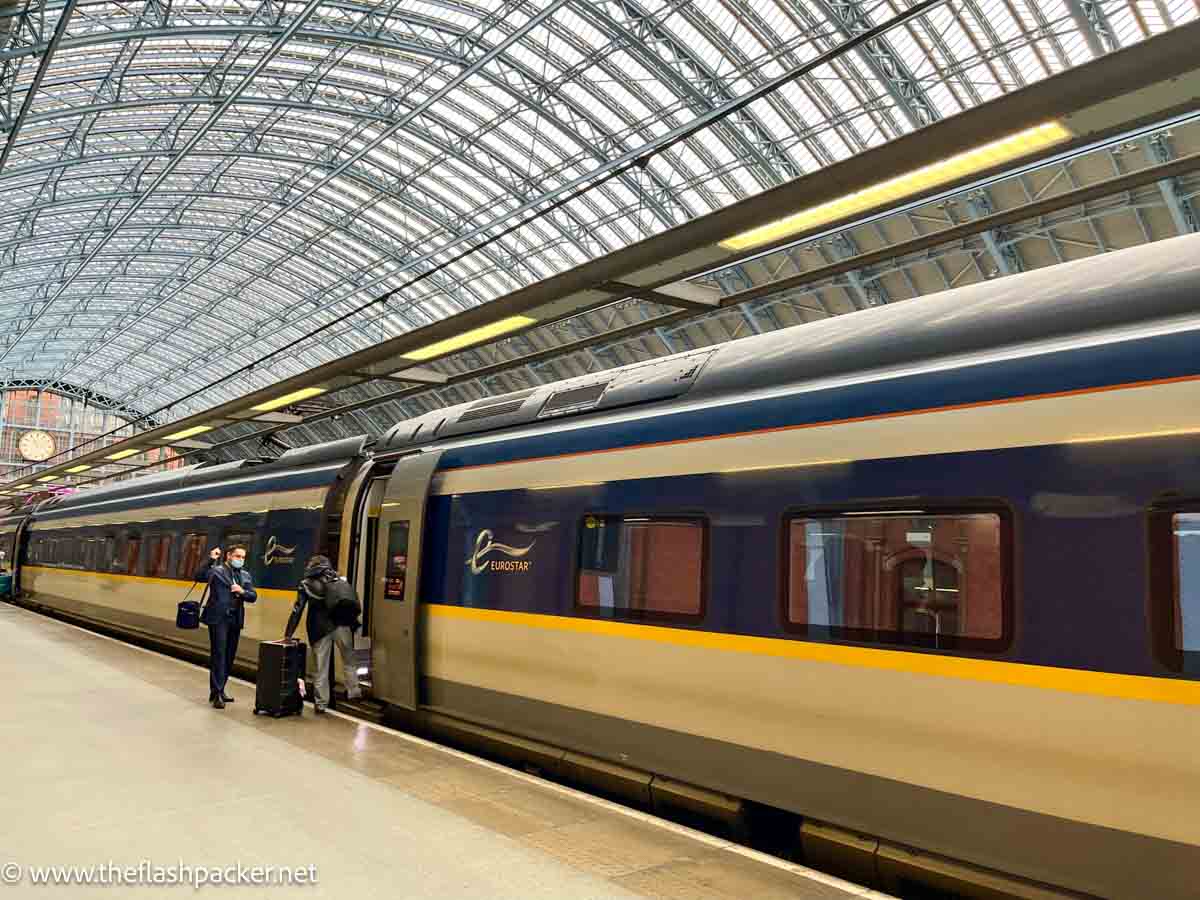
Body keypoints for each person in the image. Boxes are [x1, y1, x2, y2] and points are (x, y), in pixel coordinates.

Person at [287, 555, 361, 714]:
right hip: (342, 625)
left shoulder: (306, 584)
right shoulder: (337, 578)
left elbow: (297, 610)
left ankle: (321, 704)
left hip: (319, 629)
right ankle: (354, 692)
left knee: (321, 668)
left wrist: (288, 633)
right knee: (349, 660)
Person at [195, 545, 257, 709]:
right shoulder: (217, 571)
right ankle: (217, 693)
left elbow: (253, 596)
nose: (240, 560)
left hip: (235, 619)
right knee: (219, 655)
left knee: (229, 656)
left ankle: (220, 690)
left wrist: (242, 591)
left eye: (243, 557)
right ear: (229, 556)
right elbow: (199, 576)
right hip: (218, 618)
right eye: (238, 556)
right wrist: (211, 559)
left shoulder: (245, 575)